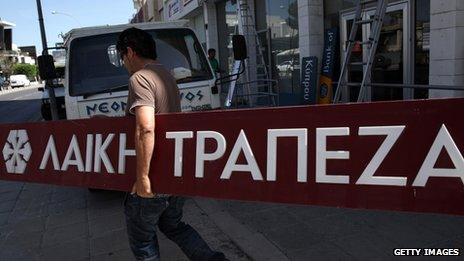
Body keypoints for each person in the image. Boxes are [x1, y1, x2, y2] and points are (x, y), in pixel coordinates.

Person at [117, 27, 227, 261]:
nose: (124, 64)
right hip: (176, 173)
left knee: (143, 240)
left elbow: (146, 127)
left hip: (155, 176)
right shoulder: (166, 75)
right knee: (174, 226)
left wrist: (143, 177)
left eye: (122, 58)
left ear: (129, 52)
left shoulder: (139, 78)